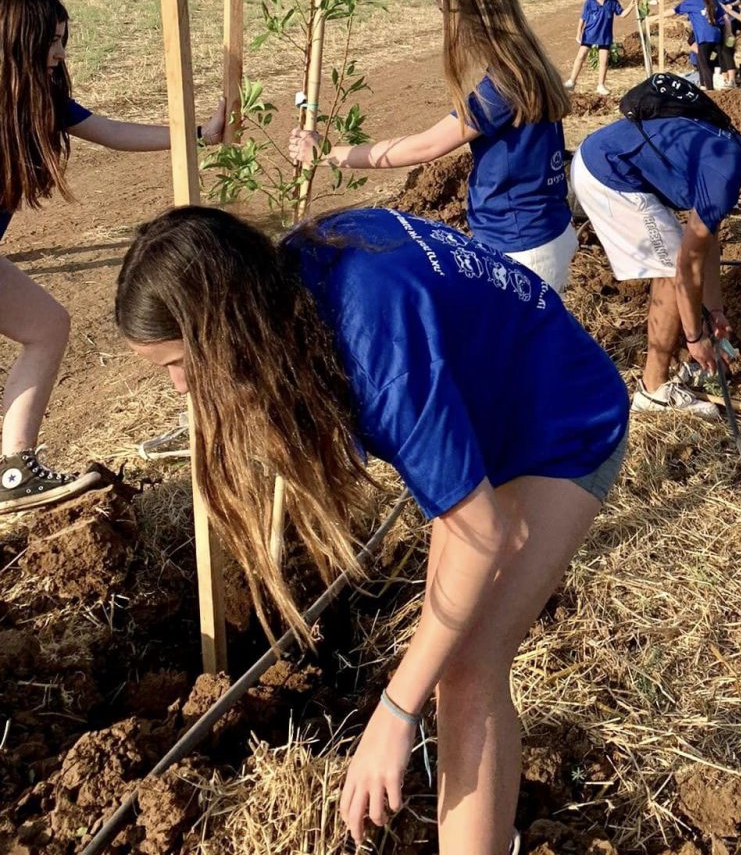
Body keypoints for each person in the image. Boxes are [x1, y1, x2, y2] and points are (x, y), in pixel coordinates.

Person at [116, 203, 628, 854]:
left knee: (468, 668)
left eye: (177, 363)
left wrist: (393, 712)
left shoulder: (378, 344)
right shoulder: (301, 267)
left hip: (563, 422)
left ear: (228, 320)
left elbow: (480, 533)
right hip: (490, 417)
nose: (181, 387)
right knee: (450, 657)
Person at [0, 0, 225, 510]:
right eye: (50, 41)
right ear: (15, 40)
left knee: (47, 325)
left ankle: (14, 471)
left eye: (62, 40)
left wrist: (197, 134)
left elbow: (112, 131)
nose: (60, 53)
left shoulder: (41, 100)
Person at [292, 0, 577, 294]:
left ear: (472, 15)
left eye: (445, 13)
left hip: (520, 248)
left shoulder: (502, 87)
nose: (444, 25)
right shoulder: (528, 66)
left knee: (511, 345)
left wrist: (327, 152)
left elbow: (426, 146)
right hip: (546, 231)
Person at [571, 112, 741, 415]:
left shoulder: (735, 153)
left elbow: (708, 243)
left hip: (605, 158)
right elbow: (687, 266)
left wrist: (714, 310)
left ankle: (658, 380)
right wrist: (695, 338)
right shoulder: (726, 174)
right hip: (607, 173)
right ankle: (653, 392)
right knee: (670, 270)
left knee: (677, 260)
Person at [564, 0, 633, 99]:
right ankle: (572, 81)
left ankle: (601, 85)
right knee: (581, 56)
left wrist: (631, 6)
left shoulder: (612, 1)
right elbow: (582, 18)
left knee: (604, 61)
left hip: (604, 35)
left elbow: (622, 14)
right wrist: (578, 32)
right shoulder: (590, 1)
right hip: (589, 33)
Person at [674, 0, 733, 90]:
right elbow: (726, 17)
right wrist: (728, 33)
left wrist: (654, 18)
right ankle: (709, 84)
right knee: (714, 58)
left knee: (704, 64)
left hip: (704, 38)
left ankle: (710, 90)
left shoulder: (691, 1)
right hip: (717, 36)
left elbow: (674, 11)